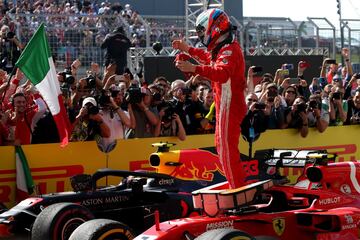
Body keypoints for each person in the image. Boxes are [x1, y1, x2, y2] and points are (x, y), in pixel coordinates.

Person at [172, 8, 247, 188]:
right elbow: (208, 58)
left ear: (214, 27)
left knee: (227, 152)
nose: (199, 35)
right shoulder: (222, 47)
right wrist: (187, 49)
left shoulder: (230, 49)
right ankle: (234, 186)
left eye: (200, 30)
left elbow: (222, 74)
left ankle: (237, 190)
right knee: (222, 148)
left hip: (230, 107)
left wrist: (193, 68)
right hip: (224, 107)